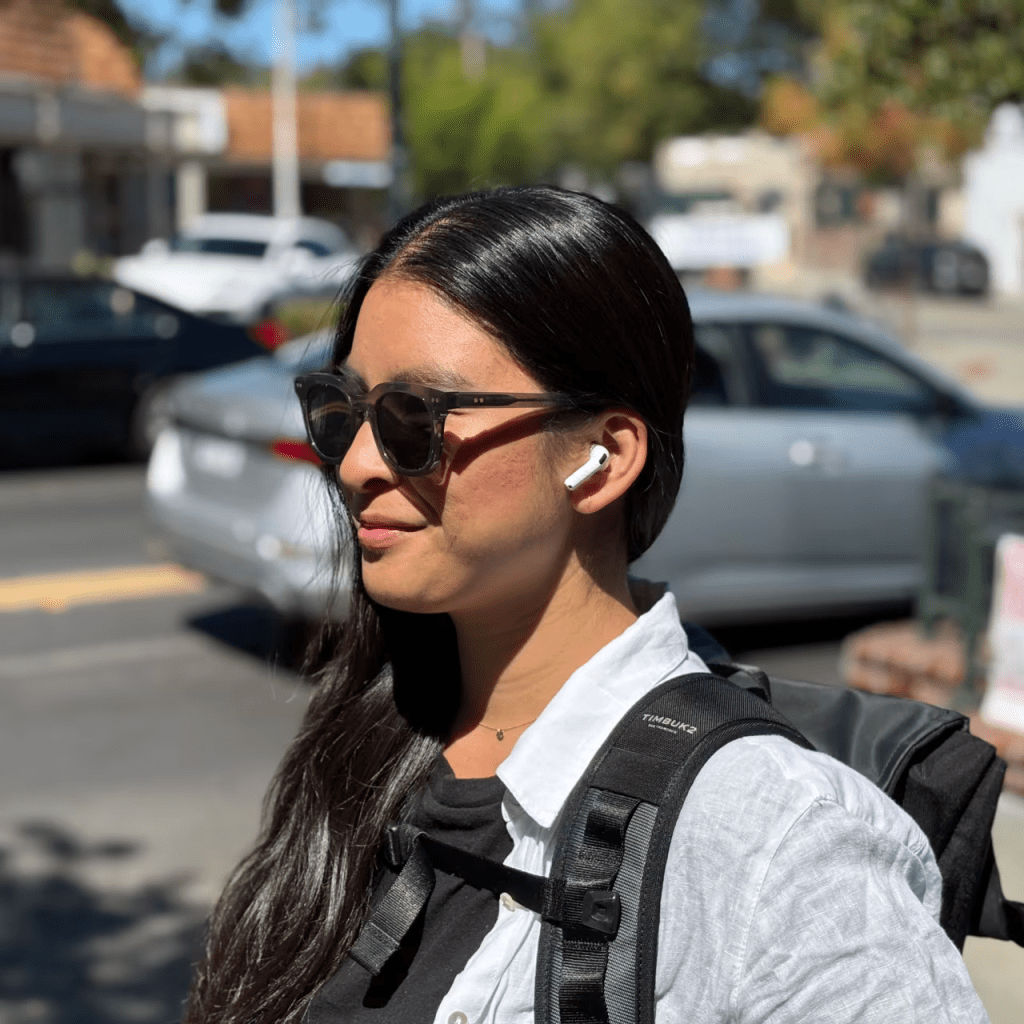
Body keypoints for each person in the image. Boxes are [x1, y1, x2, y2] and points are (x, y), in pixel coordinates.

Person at [184, 187, 989, 1024]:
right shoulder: (374, 728)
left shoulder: (779, 849)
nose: (355, 464)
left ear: (601, 458)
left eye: (413, 418)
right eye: (340, 410)